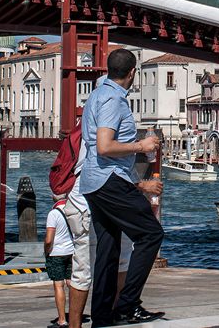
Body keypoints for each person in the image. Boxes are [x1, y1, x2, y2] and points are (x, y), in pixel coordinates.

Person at [80, 49, 165, 326]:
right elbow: (105, 146)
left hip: (94, 182)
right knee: (151, 234)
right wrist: (142, 145)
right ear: (132, 73)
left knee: (108, 246)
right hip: (109, 179)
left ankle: (104, 316)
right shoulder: (113, 100)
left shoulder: (95, 94)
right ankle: (128, 305)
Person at [64, 123, 135, 328]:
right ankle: (109, 316)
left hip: (84, 197)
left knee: (91, 265)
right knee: (100, 262)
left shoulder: (88, 119)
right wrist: (140, 146)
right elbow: (107, 154)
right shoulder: (109, 115)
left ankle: (96, 320)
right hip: (92, 195)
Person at [46, 194, 75, 328]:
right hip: (71, 252)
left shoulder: (54, 213)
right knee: (71, 283)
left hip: (56, 253)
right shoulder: (72, 210)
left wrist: (46, 251)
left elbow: (48, 239)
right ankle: (75, 317)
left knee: (59, 285)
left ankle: (62, 320)